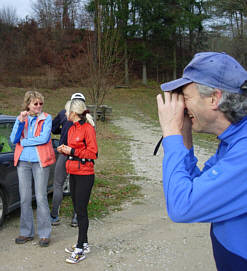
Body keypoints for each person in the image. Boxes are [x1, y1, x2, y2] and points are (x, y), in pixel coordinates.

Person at [156, 52, 247, 271]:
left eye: (186, 97)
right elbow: (198, 187)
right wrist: (183, 132)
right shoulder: (233, 140)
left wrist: (170, 132)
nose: (183, 106)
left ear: (214, 98)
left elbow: (182, 206)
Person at [10, 90, 56, 247]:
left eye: (41, 103)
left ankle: (44, 234)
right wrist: (20, 122)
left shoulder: (47, 118)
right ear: (28, 104)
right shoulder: (21, 118)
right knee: (24, 198)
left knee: (41, 197)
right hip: (23, 162)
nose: (38, 106)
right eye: (35, 103)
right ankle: (26, 232)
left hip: (40, 162)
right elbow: (13, 139)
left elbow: (44, 138)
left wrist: (24, 142)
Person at [57, 98, 98, 264]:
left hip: (85, 174)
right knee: (77, 208)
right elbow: (73, 149)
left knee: (81, 210)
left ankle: (80, 248)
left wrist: (72, 150)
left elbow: (93, 153)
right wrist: (65, 150)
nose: (65, 114)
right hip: (73, 172)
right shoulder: (72, 128)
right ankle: (84, 243)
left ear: (73, 113)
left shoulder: (88, 128)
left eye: (67, 111)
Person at [50, 93, 86, 227]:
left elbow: (53, 128)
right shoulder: (86, 118)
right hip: (80, 156)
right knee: (78, 186)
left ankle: (54, 215)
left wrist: (63, 131)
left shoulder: (63, 113)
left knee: (58, 184)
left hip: (64, 153)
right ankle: (76, 217)